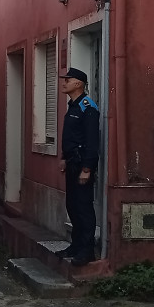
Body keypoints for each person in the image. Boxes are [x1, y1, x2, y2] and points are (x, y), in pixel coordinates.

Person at [56, 67, 100, 267]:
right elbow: (71, 137)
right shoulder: (72, 106)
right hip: (72, 163)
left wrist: (87, 168)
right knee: (72, 206)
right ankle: (75, 246)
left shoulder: (87, 107)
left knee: (83, 208)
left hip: (82, 165)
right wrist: (65, 157)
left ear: (79, 84)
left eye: (68, 79)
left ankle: (87, 251)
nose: (64, 82)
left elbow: (92, 141)